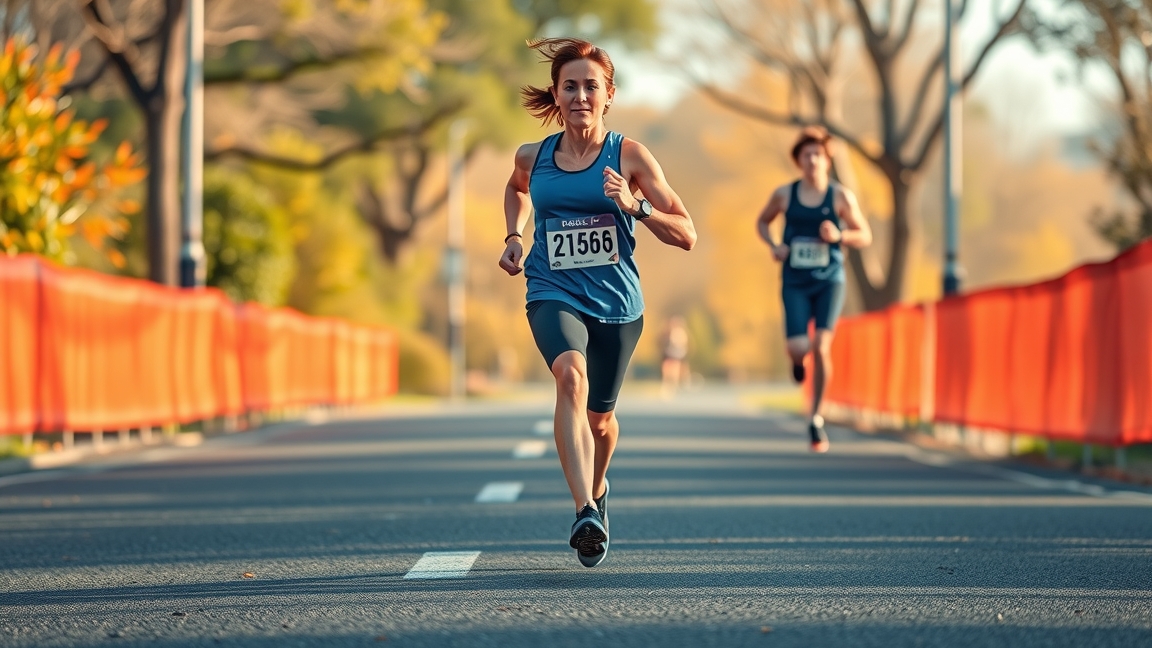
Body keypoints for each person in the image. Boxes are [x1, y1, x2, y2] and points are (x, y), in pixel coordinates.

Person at [498, 37, 696, 567]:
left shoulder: (628, 155)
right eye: (570, 86)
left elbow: (687, 233)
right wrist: (514, 237)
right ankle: (584, 508)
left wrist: (636, 207)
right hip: (551, 289)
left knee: (600, 420)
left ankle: (599, 486)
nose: (580, 95)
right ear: (556, 96)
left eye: (591, 86)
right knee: (570, 377)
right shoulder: (532, 156)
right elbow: (516, 189)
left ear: (609, 95)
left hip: (617, 304)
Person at [756, 126, 872, 453]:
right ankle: (797, 360)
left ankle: (816, 418)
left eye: (818, 154)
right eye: (806, 155)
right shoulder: (785, 194)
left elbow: (864, 235)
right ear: (799, 161)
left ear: (827, 160)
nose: (812, 160)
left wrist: (840, 236)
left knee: (822, 345)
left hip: (829, 279)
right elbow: (762, 222)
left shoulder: (840, 197)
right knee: (799, 347)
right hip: (794, 279)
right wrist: (774, 245)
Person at [660, 315, 690, 399]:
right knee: (666, 369)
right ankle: (666, 385)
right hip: (668, 353)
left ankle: (673, 386)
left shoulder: (681, 332)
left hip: (676, 353)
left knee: (674, 369)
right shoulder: (667, 332)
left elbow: (683, 343)